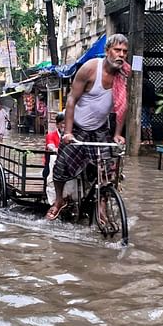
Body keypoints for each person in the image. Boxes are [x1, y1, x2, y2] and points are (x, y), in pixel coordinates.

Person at [46, 33, 129, 221]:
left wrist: (117, 134)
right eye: (117, 50)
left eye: (124, 51)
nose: (121, 55)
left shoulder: (123, 74)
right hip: (77, 126)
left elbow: (122, 106)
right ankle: (59, 201)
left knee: (108, 170)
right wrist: (67, 132)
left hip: (100, 128)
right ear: (107, 51)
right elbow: (71, 100)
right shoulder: (90, 69)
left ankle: (101, 206)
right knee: (61, 166)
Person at [141, 73, 156, 145]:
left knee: (143, 123)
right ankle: (150, 139)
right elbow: (153, 96)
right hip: (149, 105)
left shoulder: (141, 83)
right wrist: (152, 106)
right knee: (148, 123)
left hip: (143, 104)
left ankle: (146, 139)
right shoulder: (151, 84)